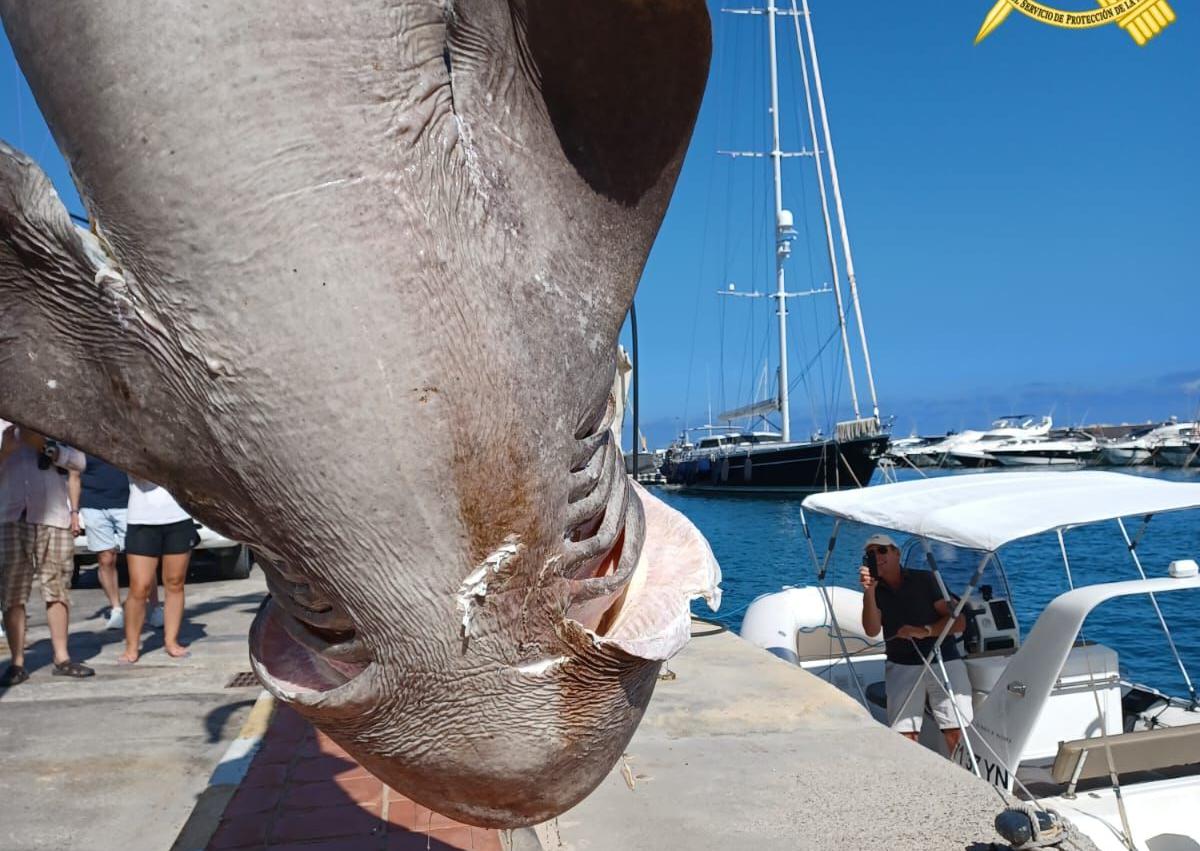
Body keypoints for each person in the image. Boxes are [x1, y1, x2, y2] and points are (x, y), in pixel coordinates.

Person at [0, 421, 95, 685]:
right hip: (9, 516)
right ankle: (17, 663)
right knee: (12, 591)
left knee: (58, 588)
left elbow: (80, 462)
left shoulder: (51, 419)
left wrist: (46, 447)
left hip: (54, 517)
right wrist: (5, 451)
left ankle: (62, 657)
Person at [859, 533, 972, 753]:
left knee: (956, 728)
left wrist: (924, 631)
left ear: (897, 553)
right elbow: (872, 629)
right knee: (904, 734)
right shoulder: (874, 591)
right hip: (902, 664)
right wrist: (869, 592)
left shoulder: (926, 580)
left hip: (942, 658)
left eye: (882, 550)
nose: (877, 556)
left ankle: (967, 777)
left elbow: (959, 622)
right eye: (870, 553)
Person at [119, 477, 195, 663]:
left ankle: (171, 641)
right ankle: (132, 646)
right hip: (142, 519)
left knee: (175, 582)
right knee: (139, 586)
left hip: (179, 515)